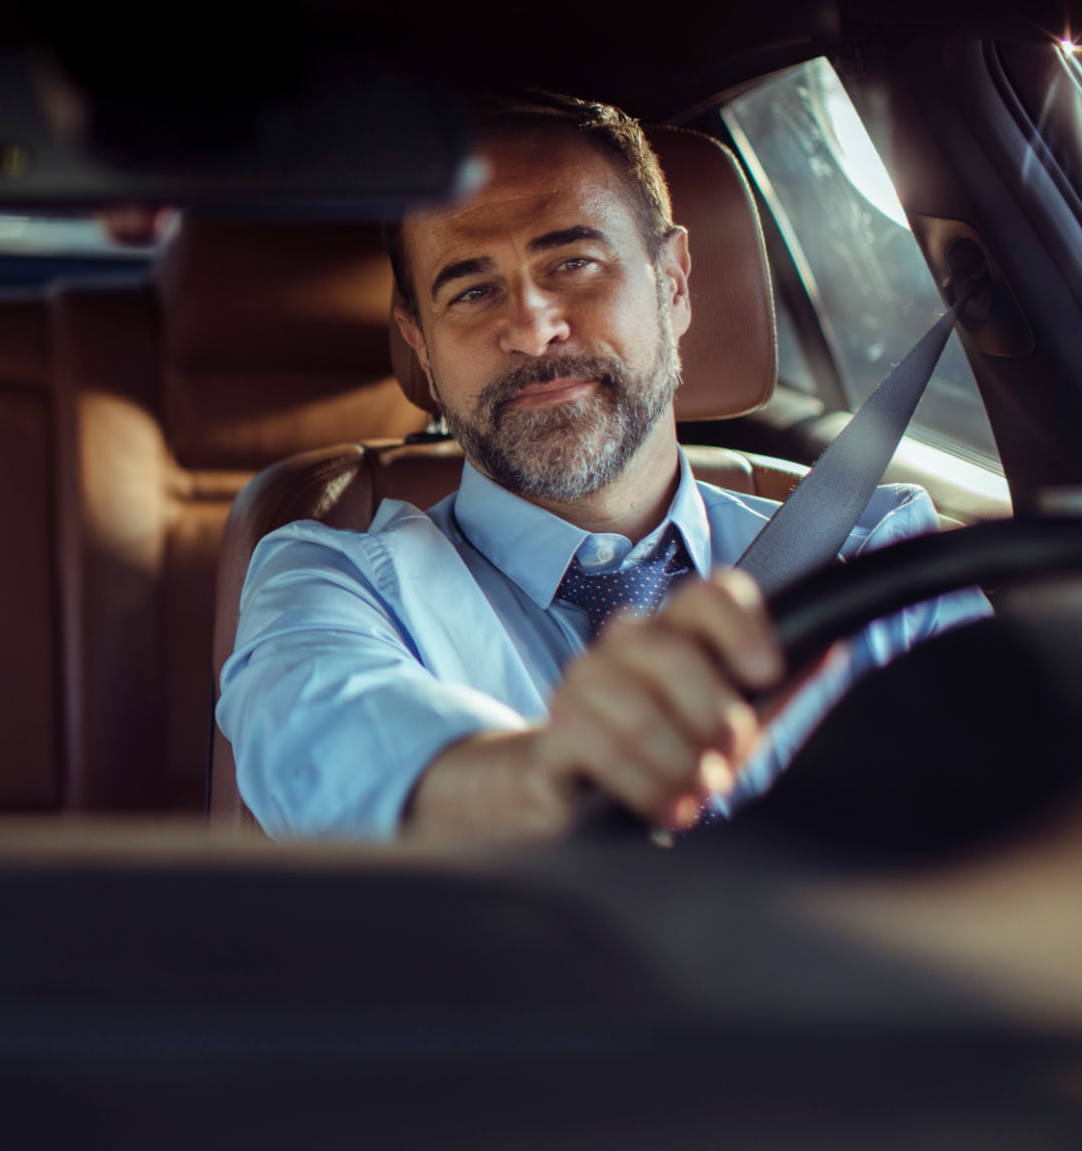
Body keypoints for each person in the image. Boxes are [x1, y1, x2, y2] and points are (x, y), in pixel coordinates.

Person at [215, 92, 989, 843]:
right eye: (474, 290)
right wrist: (554, 778)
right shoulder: (329, 577)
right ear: (419, 341)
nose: (532, 325)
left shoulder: (881, 563)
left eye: (575, 263)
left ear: (674, 283)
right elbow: (322, 745)